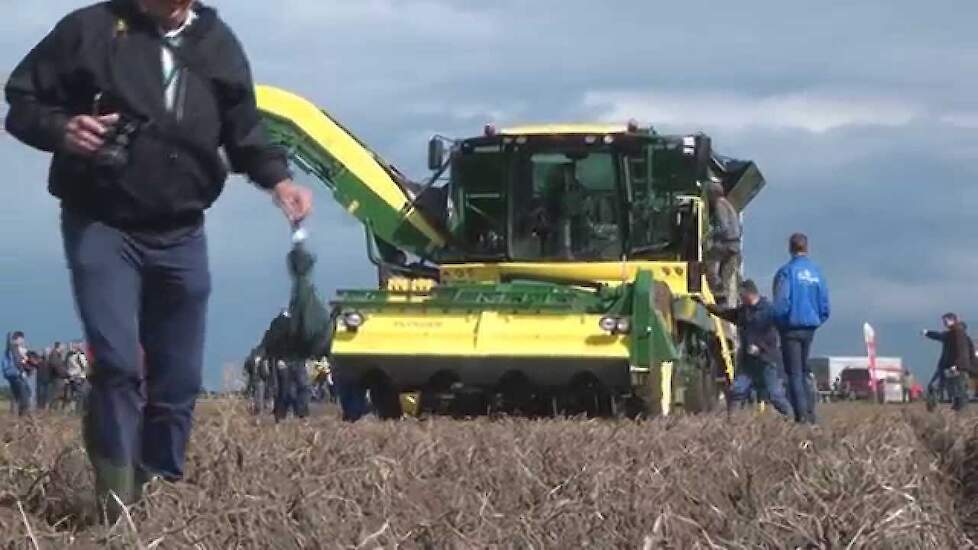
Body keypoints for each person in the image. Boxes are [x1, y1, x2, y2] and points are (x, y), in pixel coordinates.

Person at [5, 0, 314, 517]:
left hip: (182, 232)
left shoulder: (217, 43)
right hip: (102, 223)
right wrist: (64, 130)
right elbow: (22, 104)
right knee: (120, 364)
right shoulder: (90, 29)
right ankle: (115, 504)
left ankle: (154, 485)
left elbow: (244, 131)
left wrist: (278, 181)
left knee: (178, 378)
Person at [696, 280, 794, 418]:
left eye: (741, 295)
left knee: (775, 395)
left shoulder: (768, 311)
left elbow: (774, 338)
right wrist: (706, 305)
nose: (740, 298)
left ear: (749, 294)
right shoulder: (743, 312)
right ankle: (732, 420)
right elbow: (726, 313)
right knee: (737, 391)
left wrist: (760, 347)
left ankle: (793, 418)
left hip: (766, 360)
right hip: (748, 361)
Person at [773, 233, 830, 424]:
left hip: (791, 327)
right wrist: (816, 320)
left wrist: (779, 322)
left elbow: (782, 302)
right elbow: (824, 304)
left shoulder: (787, 272)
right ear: (807, 247)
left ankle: (802, 416)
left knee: (794, 373)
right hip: (810, 327)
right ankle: (811, 413)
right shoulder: (816, 272)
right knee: (804, 371)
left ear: (790, 248)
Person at [924, 313, 972, 412]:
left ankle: (961, 414)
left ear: (953, 320)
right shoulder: (950, 334)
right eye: (944, 321)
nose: (944, 323)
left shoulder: (959, 333)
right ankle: (932, 411)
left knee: (958, 392)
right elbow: (940, 336)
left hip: (955, 367)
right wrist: (927, 333)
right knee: (934, 387)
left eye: (946, 320)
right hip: (945, 366)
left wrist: (957, 365)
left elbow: (962, 351)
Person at [704, 181, 742, 307]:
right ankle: (722, 301)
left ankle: (717, 291)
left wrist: (709, 235)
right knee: (726, 274)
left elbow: (723, 227)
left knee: (708, 261)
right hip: (735, 245)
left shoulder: (719, 205)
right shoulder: (728, 204)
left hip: (726, 243)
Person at [2, 332, 31, 416]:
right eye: (22, 339)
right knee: (25, 394)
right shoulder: (14, 348)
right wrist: (25, 361)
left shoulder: (9, 348)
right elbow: (18, 362)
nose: (23, 341)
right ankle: (22, 415)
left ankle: (14, 414)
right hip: (17, 374)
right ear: (18, 338)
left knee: (16, 395)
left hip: (12, 375)